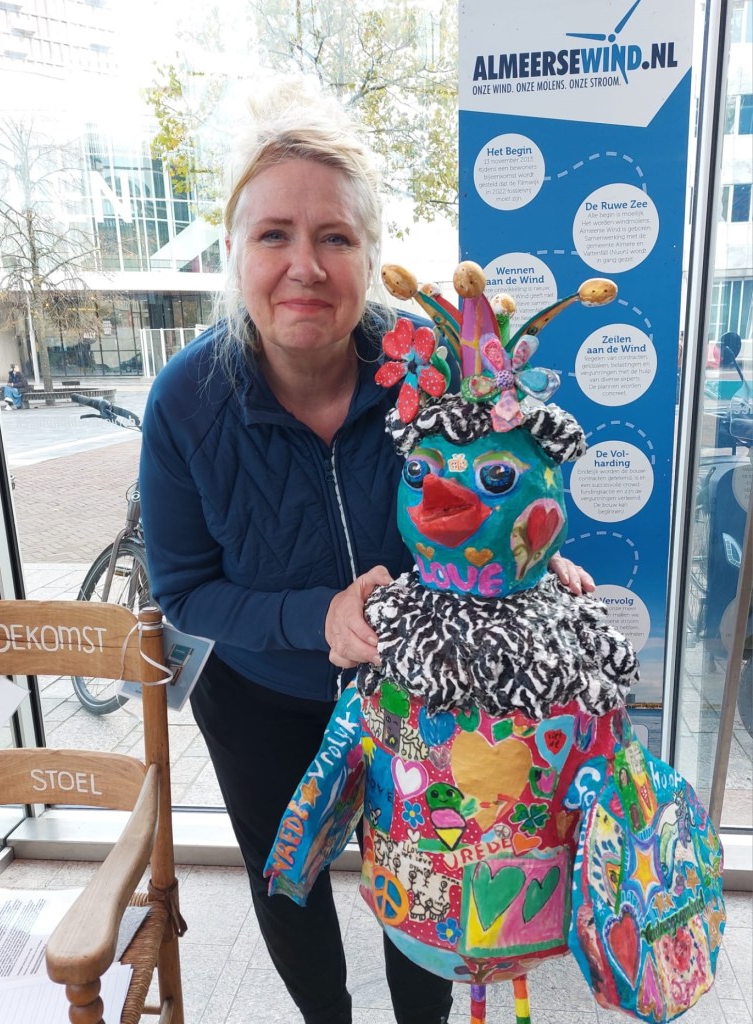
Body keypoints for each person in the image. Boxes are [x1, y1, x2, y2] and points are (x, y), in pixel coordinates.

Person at [139, 84, 594, 1024]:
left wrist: (526, 567)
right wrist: (317, 616)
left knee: (428, 885)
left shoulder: (432, 378)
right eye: (273, 235)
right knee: (290, 886)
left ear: (370, 257)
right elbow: (184, 591)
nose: (303, 265)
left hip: (423, 699)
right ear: (234, 252)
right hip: (263, 701)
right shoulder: (186, 401)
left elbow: (486, 498)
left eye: (334, 237)